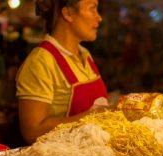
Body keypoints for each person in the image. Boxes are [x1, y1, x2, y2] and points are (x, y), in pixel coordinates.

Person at [16, 0, 108, 144]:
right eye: (92, 9)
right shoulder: (41, 62)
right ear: (68, 13)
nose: (99, 17)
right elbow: (32, 131)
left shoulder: (85, 54)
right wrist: (93, 116)